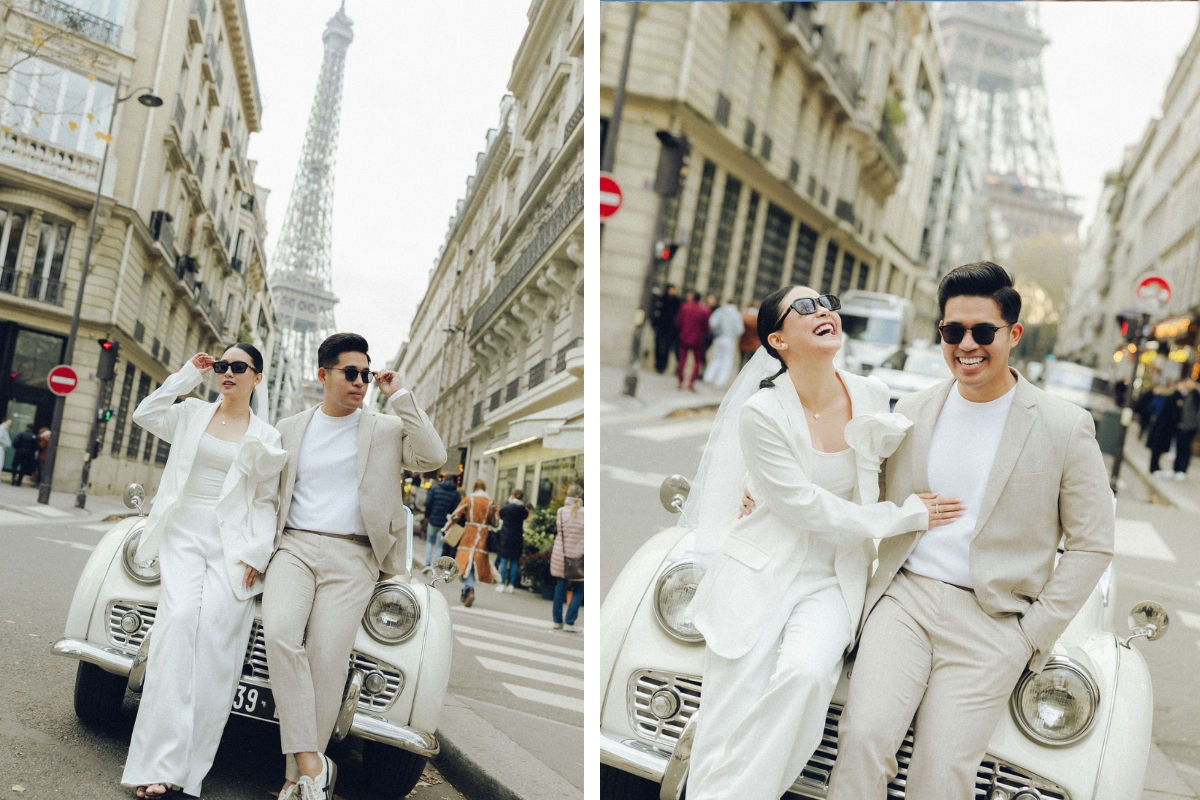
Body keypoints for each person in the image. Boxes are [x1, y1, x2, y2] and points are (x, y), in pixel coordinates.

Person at [820, 262, 1114, 799]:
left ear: (1013, 334)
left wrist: (1030, 636)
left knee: (942, 774)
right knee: (861, 740)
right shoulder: (910, 411)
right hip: (904, 601)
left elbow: (1093, 543)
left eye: (984, 332)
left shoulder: (1062, 426)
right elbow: (860, 492)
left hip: (993, 621)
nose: (967, 345)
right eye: (953, 332)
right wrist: (768, 487)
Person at [682, 286, 956, 800]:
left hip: (835, 578)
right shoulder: (761, 412)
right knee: (726, 716)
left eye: (827, 302)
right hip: (757, 571)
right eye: (805, 307)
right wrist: (899, 519)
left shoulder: (871, 395)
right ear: (778, 340)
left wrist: (914, 511)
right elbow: (804, 504)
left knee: (805, 678)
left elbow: (893, 469)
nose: (824, 311)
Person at [262, 332, 445, 800]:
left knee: (327, 659)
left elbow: (433, 457)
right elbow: (268, 492)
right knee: (280, 632)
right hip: (295, 547)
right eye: (351, 373)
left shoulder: (384, 428)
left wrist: (399, 395)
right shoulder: (289, 426)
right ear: (323, 375)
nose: (360, 381)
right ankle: (312, 763)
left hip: (355, 554)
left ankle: (296, 780)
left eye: (365, 374)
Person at [121, 345, 285, 798]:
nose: (227, 373)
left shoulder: (267, 435)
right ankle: (157, 765)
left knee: (215, 644)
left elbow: (266, 500)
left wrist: (258, 553)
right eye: (222, 365)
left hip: (232, 544)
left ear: (257, 377)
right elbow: (145, 412)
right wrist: (186, 374)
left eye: (238, 367)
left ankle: (186, 775)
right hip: (183, 534)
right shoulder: (191, 411)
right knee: (176, 628)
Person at [450, 477, 498, 607]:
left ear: (474, 487)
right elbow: (496, 522)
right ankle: (467, 589)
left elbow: (456, 514)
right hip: (483, 535)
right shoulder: (490, 502)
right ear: (485, 488)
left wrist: (447, 529)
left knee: (466, 563)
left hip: (469, 534)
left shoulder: (468, 499)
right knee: (475, 562)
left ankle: (468, 589)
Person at [550, 484, 587, 631]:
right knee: (579, 588)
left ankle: (557, 621)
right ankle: (569, 622)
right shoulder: (585, 513)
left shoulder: (560, 512)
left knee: (560, 586)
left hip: (561, 554)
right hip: (579, 556)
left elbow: (560, 531)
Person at [702, 298, 745, 388]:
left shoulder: (719, 311)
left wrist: (718, 332)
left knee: (716, 358)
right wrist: (732, 334)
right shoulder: (736, 314)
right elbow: (740, 330)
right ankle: (720, 382)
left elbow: (712, 324)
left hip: (718, 338)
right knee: (727, 361)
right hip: (729, 339)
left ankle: (707, 377)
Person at [494, 489, 529, 592]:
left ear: (513, 496)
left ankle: (501, 584)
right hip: (517, 538)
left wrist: (507, 502)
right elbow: (525, 516)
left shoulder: (507, 507)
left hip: (506, 536)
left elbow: (501, 513)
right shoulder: (523, 510)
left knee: (504, 561)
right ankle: (511, 585)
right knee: (514, 562)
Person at [676, 291, 711, 391]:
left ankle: (680, 381)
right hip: (698, 339)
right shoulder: (705, 310)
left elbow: (678, 322)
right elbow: (706, 327)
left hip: (684, 336)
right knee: (697, 361)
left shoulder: (684, 307)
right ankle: (691, 381)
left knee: (682, 359)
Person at [424, 473, 461, 568]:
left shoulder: (435, 489)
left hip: (432, 520)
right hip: (445, 523)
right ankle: (434, 566)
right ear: (453, 481)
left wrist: (428, 516)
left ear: (443, 479)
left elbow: (428, 504)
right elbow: (456, 510)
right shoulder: (456, 494)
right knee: (439, 545)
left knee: (429, 541)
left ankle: (427, 564)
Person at [1148, 382, 1183, 476]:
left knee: (1158, 449)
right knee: (1157, 448)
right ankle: (1154, 467)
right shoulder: (1174, 397)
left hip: (1164, 428)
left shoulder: (1176, 397)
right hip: (1163, 428)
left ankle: (1155, 467)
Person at [652, 284, 682, 374]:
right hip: (660, 327)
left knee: (667, 348)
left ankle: (663, 366)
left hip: (670, 329)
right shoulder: (661, 299)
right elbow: (656, 312)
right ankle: (658, 364)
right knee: (657, 346)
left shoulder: (677, 301)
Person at [1174, 379, 1200, 480]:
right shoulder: (1187, 394)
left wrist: (1194, 426)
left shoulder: (1196, 396)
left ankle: (1182, 470)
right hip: (1182, 426)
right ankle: (1176, 468)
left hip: (1190, 427)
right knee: (1179, 447)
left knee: (1186, 449)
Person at [739, 301, 760, 368]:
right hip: (753, 342)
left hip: (743, 340)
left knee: (741, 360)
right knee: (750, 361)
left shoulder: (743, 315)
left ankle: (740, 371)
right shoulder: (758, 317)